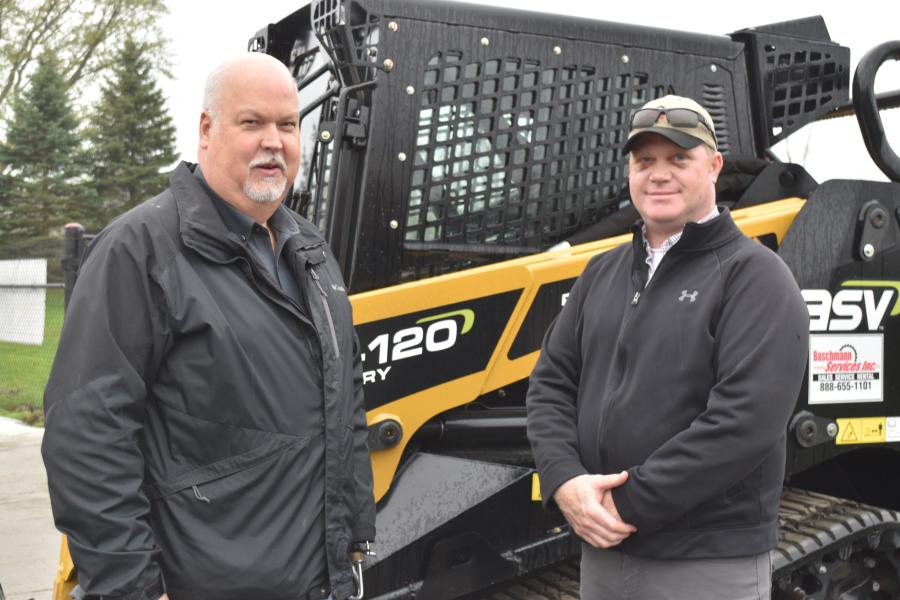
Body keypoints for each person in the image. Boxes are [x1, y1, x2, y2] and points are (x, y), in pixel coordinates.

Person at [42, 53, 375, 600]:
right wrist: (133, 589)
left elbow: (347, 402)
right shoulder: (140, 251)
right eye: (252, 123)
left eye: (287, 125)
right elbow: (87, 438)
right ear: (205, 130)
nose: (274, 141)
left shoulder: (312, 253)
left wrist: (353, 542)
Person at [526, 95, 808, 599]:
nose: (659, 175)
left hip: (704, 560)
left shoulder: (756, 276)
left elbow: (745, 421)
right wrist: (564, 482)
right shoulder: (601, 273)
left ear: (714, 166)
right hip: (604, 554)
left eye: (679, 158)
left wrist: (626, 504)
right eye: (644, 161)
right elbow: (550, 385)